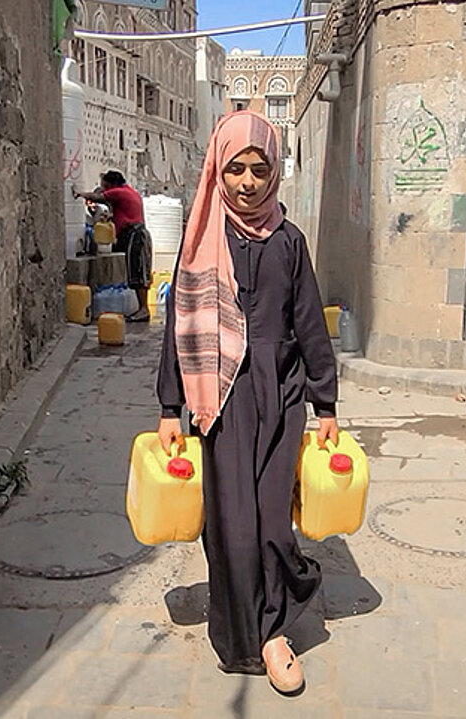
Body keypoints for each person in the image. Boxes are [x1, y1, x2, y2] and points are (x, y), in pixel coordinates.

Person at [155, 111, 338, 696]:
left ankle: (273, 627)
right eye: (235, 169)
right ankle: (246, 634)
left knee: (271, 527)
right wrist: (169, 408)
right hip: (223, 399)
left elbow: (309, 324)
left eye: (260, 170)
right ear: (219, 169)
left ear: (274, 173)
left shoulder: (288, 240)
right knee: (233, 527)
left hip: (280, 396)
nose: (248, 182)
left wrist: (326, 402)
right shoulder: (202, 235)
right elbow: (179, 326)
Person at [74, 171, 152, 322]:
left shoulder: (119, 192)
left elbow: (98, 198)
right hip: (135, 233)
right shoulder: (129, 192)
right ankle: (142, 308)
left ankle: (144, 309)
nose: (104, 190)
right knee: (135, 271)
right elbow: (124, 212)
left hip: (135, 235)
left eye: (105, 187)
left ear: (111, 185)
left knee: (137, 271)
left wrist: (80, 194)